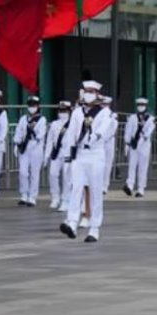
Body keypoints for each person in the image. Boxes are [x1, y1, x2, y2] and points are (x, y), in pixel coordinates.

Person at [59, 80, 116, 243]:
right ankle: (71, 222)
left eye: (91, 91)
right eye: (86, 91)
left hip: (95, 154)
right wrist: (69, 154)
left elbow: (103, 130)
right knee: (76, 187)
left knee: (95, 191)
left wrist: (95, 136)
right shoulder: (77, 112)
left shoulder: (104, 112)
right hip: (80, 155)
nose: (88, 94)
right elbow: (71, 133)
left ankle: (94, 228)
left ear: (97, 94)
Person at [14, 95, 46, 207]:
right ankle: (23, 194)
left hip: (36, 147)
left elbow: (41, 135)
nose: (32, 107)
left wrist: (33, 134)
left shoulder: (42, 120)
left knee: (34, 173)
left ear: (38, 106)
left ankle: (32, 197)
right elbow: (18, 132)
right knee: (23, 172)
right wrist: (16, 143)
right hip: (24, 147)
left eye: (34, 105)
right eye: (30, 105)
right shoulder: (23, 119)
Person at [123, 97, 155, 198]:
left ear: (145, 106)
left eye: (142, 105)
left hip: (144, 146)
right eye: (139, 105)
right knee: (132, 166)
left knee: (142, 167)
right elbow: (128, 130)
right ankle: (130, 185)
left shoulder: (150, 118)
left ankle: (141, 188)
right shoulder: (132, 117)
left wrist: (143, 137)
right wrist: (127, 142)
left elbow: (149, 131)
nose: (141, 107)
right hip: (134, 144)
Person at [45, 101, 73, 211]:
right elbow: (49, 140)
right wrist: (46, 155)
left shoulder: (72, 124)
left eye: (65, 111)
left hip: (67, 153)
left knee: (66, 178)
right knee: (53, 175)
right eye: (61, 111)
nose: (62, 113)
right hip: (56, 153)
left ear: (69, 111)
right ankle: (55, 197)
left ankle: (65, 200)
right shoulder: (54, 124)